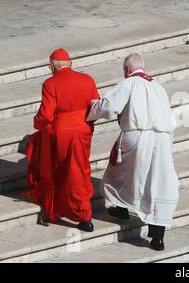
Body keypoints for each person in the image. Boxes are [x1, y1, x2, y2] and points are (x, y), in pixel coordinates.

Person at [87, 53, 179, 251]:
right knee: (158, 183)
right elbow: (169, 117)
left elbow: (110, 106)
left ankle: (121, 209)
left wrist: (91, 109)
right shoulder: (158, 86)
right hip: (162, 138)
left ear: (127, 70)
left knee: (119, 170)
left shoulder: (129, 83)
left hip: (137, 136)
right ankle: (157, 237)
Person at [23, 48, 99, 232]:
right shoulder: (87, 79)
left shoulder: (50, 84)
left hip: (61, 134)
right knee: (79, 171)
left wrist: (37, 123)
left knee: (60, 171)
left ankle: (64, 209)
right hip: (83, 132)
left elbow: (46, 115)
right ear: (70, 64)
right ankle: (83, 215)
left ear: (51, 66)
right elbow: (96, 106)